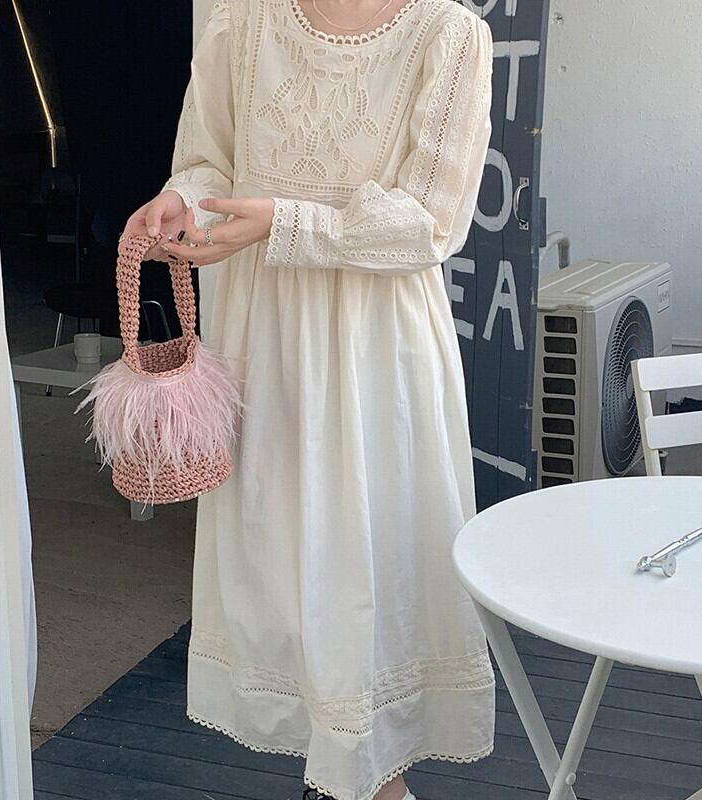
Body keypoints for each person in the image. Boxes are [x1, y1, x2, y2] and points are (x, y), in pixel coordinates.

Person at [122, 1, 495, 799]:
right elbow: (208, 160)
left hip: (374, 345)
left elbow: (430, 222)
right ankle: (349, 780)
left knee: (371, 553)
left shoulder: (448, 34)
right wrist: (184, 200)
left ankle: (370, 782)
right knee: (286, 560)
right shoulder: (242, 22)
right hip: (264, 343)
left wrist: (283, 222)